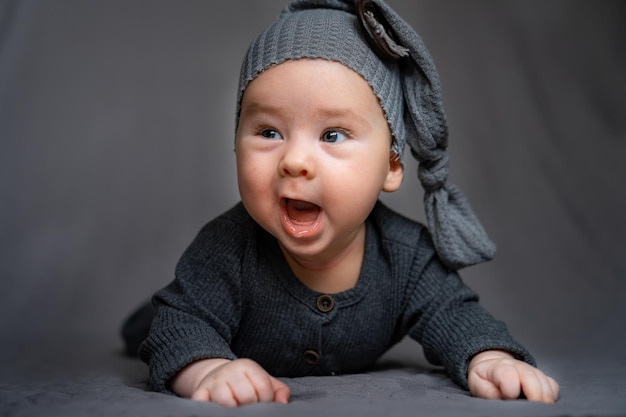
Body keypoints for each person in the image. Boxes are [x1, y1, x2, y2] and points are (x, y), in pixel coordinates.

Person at [130, 0, 559, 407]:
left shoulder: (405, 259)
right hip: (193, 316)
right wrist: (207, 369)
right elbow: (182, 323)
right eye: (269, 132)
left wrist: (490, 358)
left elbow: (456, 313)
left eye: (332, 135)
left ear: (392, 165)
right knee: (156, 321)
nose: (295, 161)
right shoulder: (228, 248)